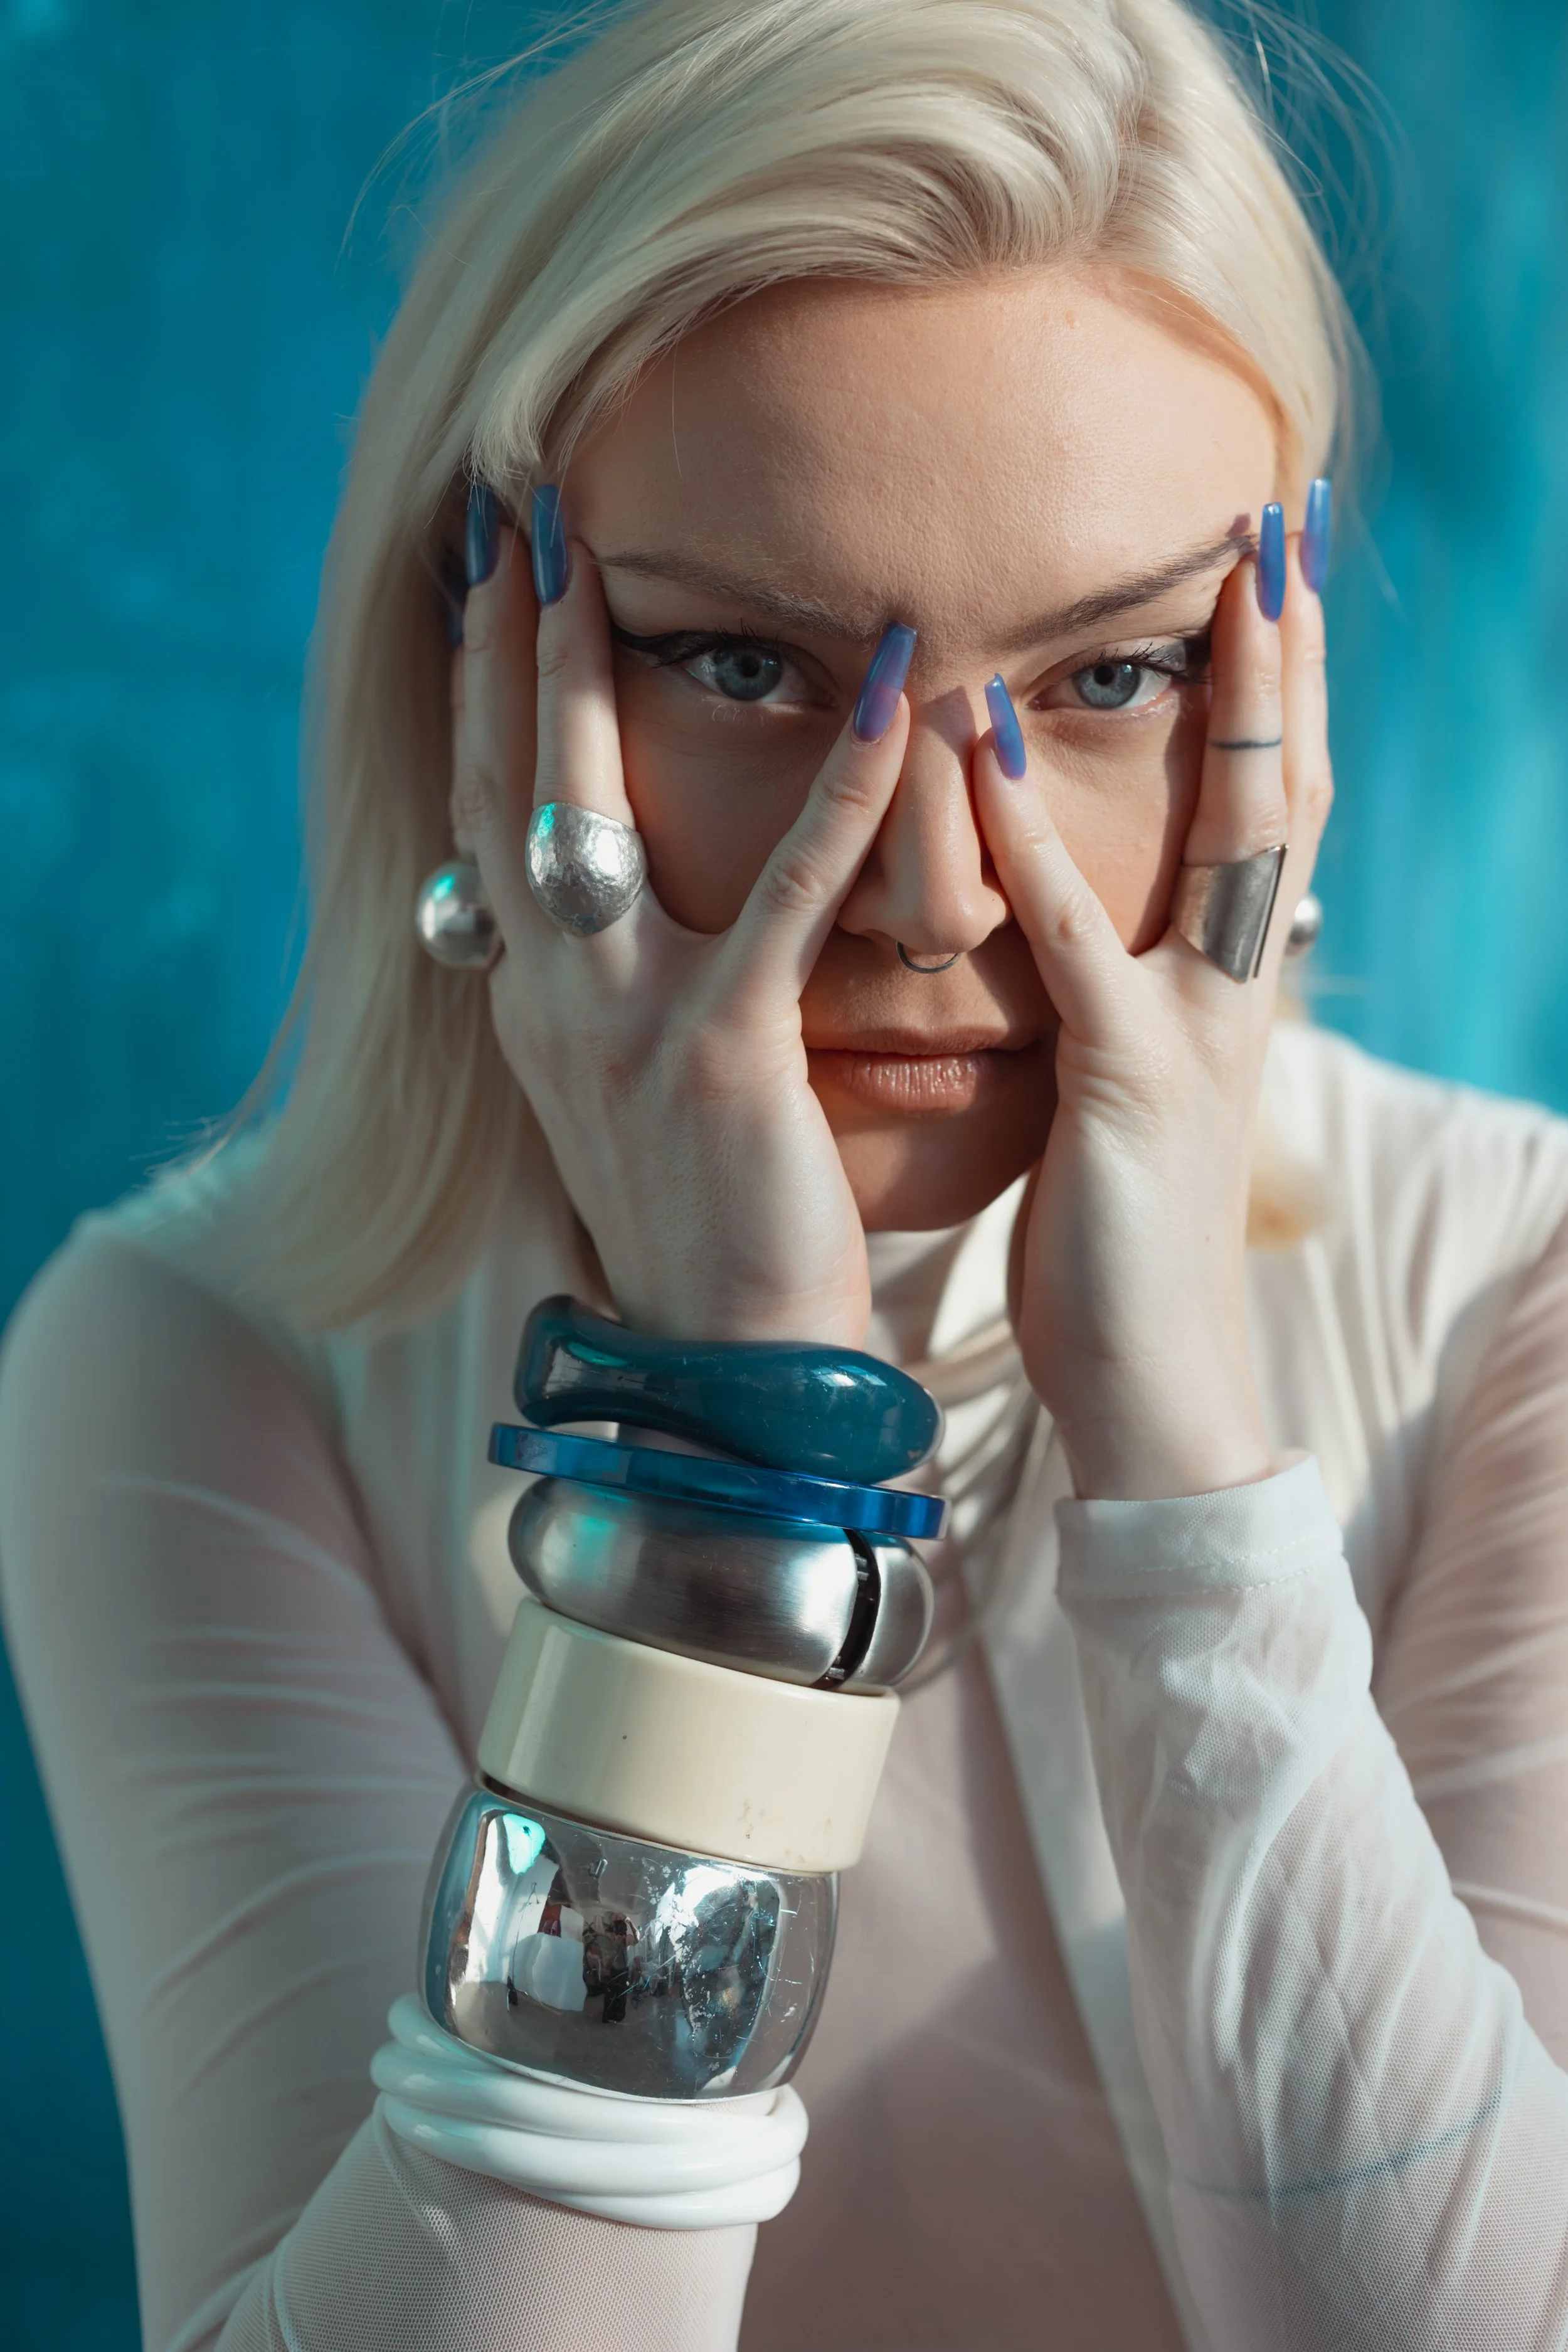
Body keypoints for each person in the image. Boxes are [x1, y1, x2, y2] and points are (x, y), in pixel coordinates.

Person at [4, 0, 1568, 2345]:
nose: (936, 892)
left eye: (1112, 675)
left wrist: (1175, 1447)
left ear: (1278, 699)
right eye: (745, 661)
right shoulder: (203, 1363)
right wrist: (730, 1478)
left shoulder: (1512, 1288)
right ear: (485, 661)